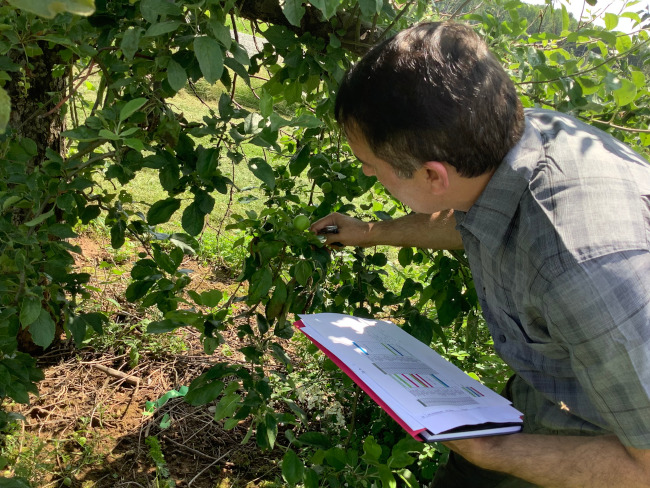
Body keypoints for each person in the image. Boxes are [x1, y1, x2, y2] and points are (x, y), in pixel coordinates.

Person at [311, 21, 650, 487]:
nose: (369, 174)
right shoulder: (521, 141)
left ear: (433, 176)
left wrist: (495, 450)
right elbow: (481, 218)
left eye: (372, 166)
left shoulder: (583, 273)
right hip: (546, 401)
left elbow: (644, 468)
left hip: (605, 452)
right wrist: (370, 231)